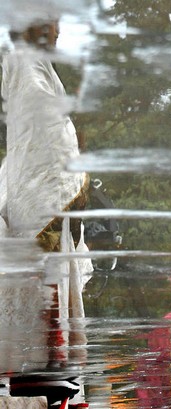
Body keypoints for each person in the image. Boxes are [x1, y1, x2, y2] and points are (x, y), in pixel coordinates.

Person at [0, 21, 92, 407]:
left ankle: (50, 386)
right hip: (36, 196)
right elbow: (42, 127)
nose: (58, 33)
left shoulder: (31, 62)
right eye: (53, 23)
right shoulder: (26, 62)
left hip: (38, 190)